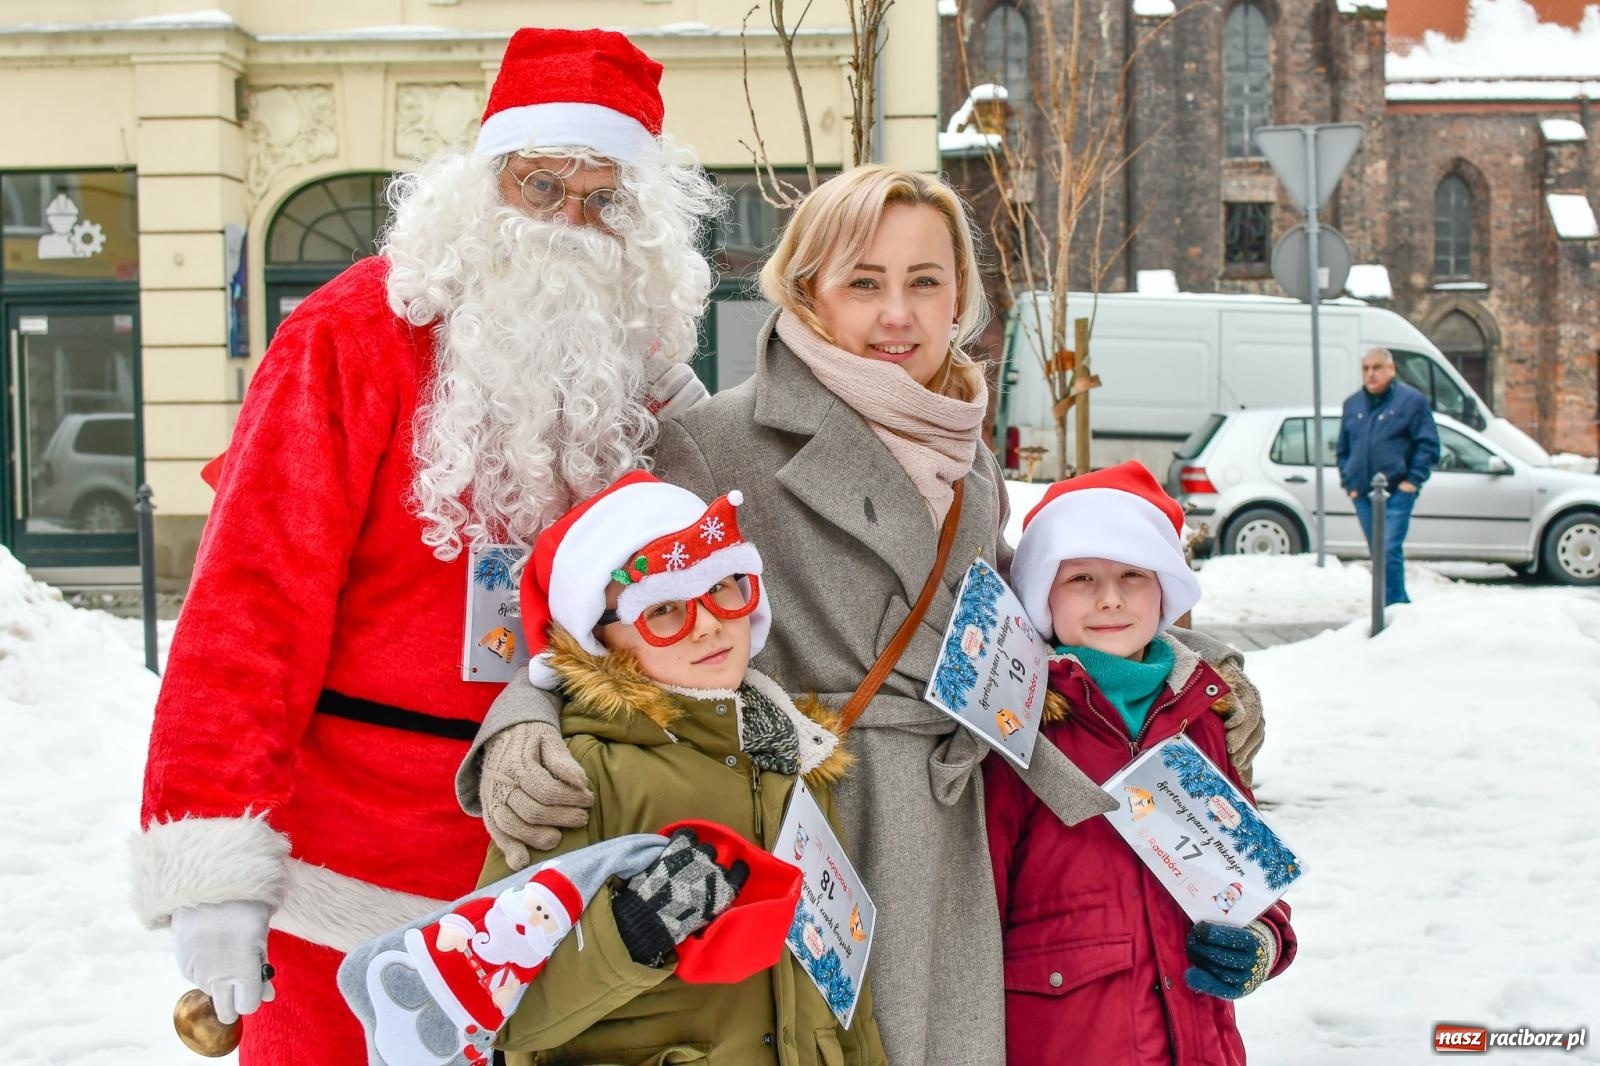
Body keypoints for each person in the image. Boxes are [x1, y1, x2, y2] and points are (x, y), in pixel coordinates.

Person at [462, 166, 1268, 1064]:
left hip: (958, 829)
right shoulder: (715, 442)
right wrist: (522, 718)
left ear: (959, 297)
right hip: (811, 817)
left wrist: (1203, 665)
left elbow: (1029, 613)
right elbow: (601, 608)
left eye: (925, 282)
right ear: (807, 290)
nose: (898, 314)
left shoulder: (967, 456)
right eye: (863, 283)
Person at [130, 27, 722, 1062]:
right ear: (486, 184)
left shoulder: (645, 380)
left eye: (605, 202)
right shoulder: (349, 336)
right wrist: (215, 863)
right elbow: (249, 604)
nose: (570, 225)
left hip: (569, 894)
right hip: (348, 892)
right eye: (544, 187)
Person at [475, 471, 885, 1064]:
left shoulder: (793, 758)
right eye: (663, 609)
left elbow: (840, 984)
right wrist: (633, 932)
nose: (709, 623)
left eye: (722, 588)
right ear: (600, 642)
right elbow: (496, 1010)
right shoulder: (580, 775)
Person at [987, 461, 1297, 1066]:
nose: (1110, 598)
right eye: (1080, 577)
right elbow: (974, 907)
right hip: (1066, 1042)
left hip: (1198, 1043)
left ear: (1165, 589)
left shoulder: (1203, 714)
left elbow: (1246, 871)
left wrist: (1263, 939)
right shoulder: (1020, 725)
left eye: (1133, 574)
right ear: (1042, 593)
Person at [1336, 347, 1441, 605]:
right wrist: (1350, 483)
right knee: (1378, 551)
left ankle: (1394, 606)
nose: (1371, 374)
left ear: (1391, 369)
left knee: (1388, 547)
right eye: (1366, 368)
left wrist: (1411, 481)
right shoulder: (1353, 404)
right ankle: (1390, 606)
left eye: (1377, 367)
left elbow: (1428, 445)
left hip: (1396, 491)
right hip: (1363, 492)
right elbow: (1343, 448)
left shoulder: (1411, 401)